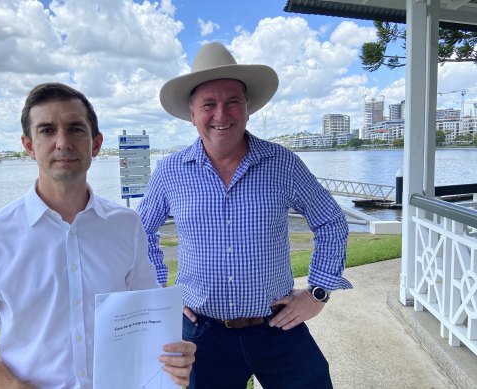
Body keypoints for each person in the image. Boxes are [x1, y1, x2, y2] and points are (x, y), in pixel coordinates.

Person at [0, 82, 195, 388]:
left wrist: (173, 358)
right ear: (29, 145)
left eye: (76, 128)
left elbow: (147, 315)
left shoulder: (127, 226)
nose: (62, 142)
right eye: (47, 130)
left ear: (96, 143)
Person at [136, 42, 351, 388]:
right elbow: (140, 232)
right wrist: (161, 294)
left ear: (247, 109)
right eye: (209, 104)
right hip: (201, 334)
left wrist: (318, 293)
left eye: (232, 101)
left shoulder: (283, 164)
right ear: (192, 114)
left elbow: (331, 222)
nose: (222, 114)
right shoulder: (170, 172)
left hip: (277, 326)